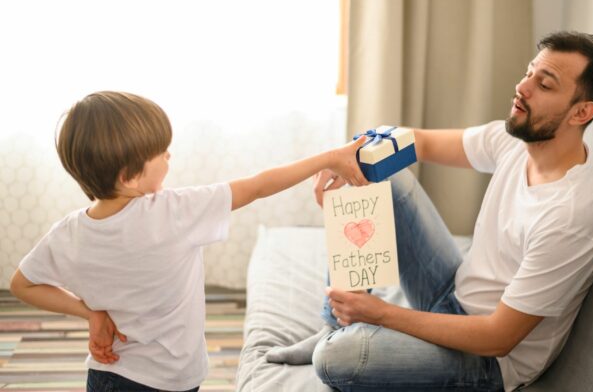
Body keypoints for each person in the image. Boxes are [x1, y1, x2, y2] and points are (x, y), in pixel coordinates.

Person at [265, 31, 593, 391]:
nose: (522, 88)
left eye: (544, 85)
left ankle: (345, 334)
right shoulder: (516, 141)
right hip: (452, 292)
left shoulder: (571, 215)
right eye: (529, 72)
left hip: (488, 360)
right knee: (382, 172)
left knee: (335, 359)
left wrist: (382, 315)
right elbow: (416, 141)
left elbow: (499, 337)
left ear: (582, 112)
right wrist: (349, 158)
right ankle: (335, 323)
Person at [9, 91, 369, 391]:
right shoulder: (174, 212)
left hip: (107, 376)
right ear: (130, 176)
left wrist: (89, 312)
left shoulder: (68, 233)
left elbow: (22, 285)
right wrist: (329, 158)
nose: (169, 156)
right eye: (161, 152)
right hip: (173, 379)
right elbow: (259, 185)